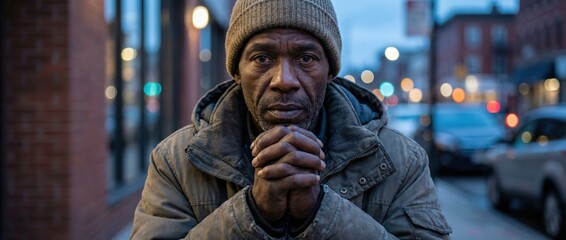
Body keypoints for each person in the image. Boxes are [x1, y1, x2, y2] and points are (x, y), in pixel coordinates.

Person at [131, 0, 452, 239]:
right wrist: (254, 213)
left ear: (330, 71)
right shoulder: (175, 161)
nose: (284, 79)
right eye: (262, 58)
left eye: (306, 58)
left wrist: (320, 211)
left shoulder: (401, 161)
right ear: (236, 72)